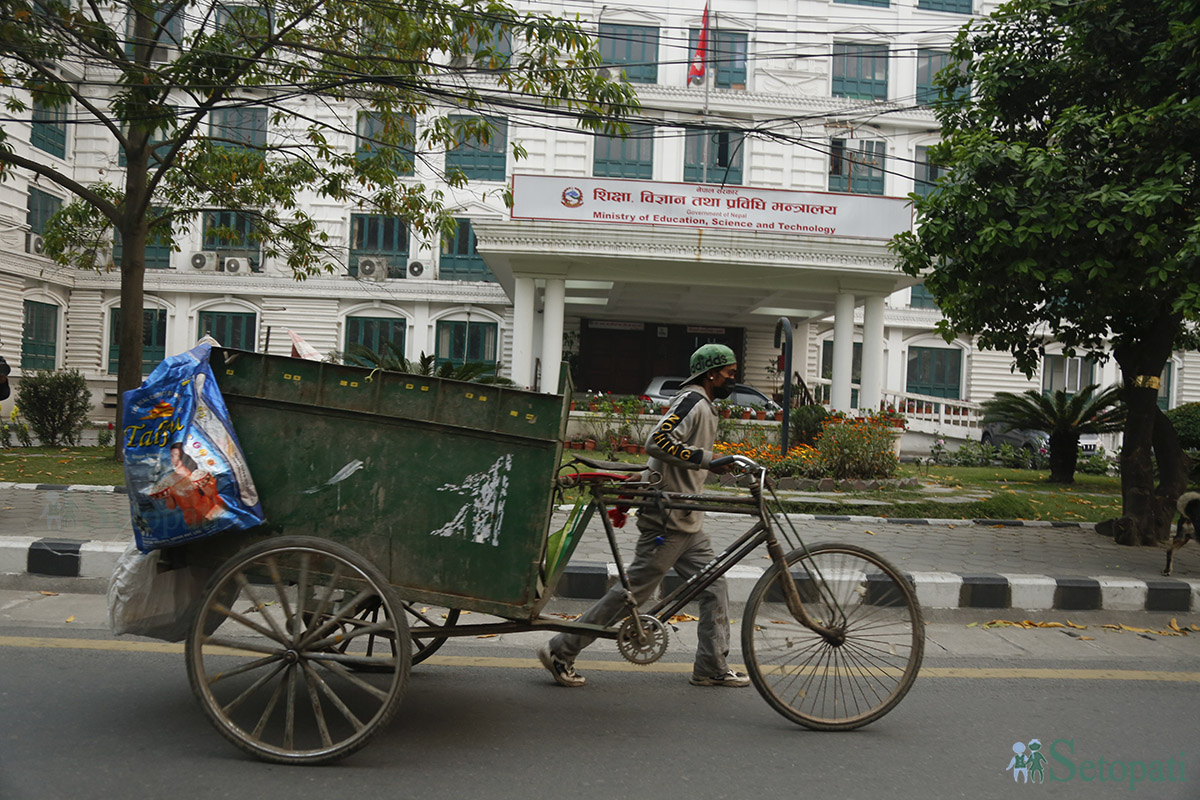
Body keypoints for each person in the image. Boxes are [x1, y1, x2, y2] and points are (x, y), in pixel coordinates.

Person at [538, 344, 749, 688]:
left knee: (714, 587)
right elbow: (657, 441)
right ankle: (561, 649)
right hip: (667, 520)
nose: (732, 379)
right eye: (729, 373)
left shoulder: (705, 405)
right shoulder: (692, 401)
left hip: (687, 520)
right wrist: (708, 460)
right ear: (712, 374)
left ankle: (711, 666)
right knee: (631, 595)